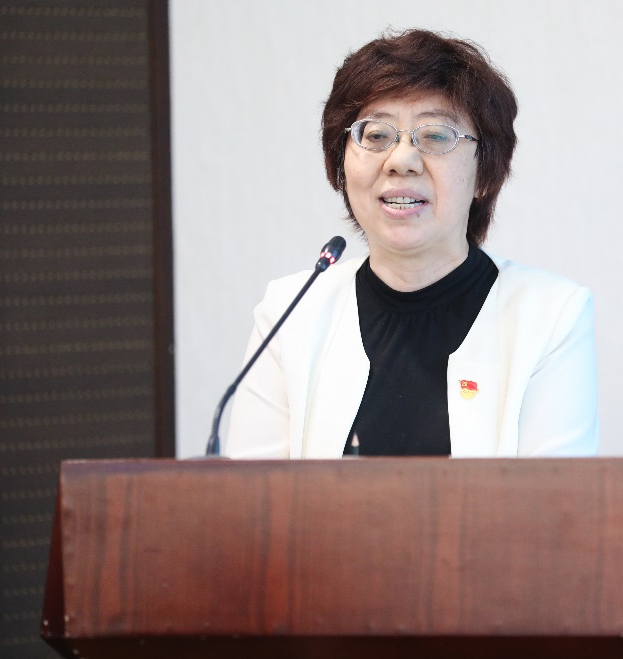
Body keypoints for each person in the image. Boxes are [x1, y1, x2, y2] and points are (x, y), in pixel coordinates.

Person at [226, 29, 598, 459]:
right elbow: (255, 498)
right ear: (341, 164)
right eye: (376, 136)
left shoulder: (551, 316)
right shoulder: (289, 314)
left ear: (487, 173)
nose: (401, 160)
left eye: (436, 136)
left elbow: (554, 498)